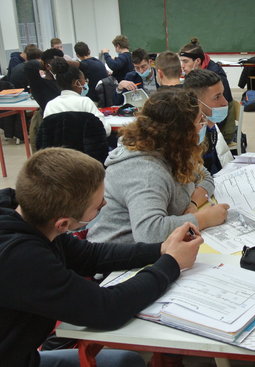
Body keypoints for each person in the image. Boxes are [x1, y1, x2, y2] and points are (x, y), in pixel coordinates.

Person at [0, 147, 204, 367]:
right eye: (98, 206)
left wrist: (162, 249)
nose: (105, 205)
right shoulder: (21, 258)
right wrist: (172, 263)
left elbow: (90, 255)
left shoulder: (28, 213)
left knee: (126, 361)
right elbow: (107, 308)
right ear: (64, 224)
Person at [87, 88, 229, 245]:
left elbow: (205, 177)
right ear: (180, 133)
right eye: (200, 121)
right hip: (121, 257)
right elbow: (149, 233)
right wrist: (203, 219)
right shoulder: (146, 172)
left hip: (156, 249)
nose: (204, 125)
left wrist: (193, 205)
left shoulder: (174, 152)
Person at [179, 39, 235, 143]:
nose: (182, 65)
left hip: (221, 126)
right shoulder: (196, 76)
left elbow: (220, 110)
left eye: (185, 61)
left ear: (197, 61)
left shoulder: (215, 78)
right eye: (181, 61)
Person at [183, 69, 234, 175]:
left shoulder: (210, 124)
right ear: (196, 101)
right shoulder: (189, 135)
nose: (225, 102)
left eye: (222, 94)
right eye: (217, 97)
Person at [43, 58, 111, 136]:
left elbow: (46, 132)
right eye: (84, 80)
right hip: (82, 147)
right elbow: (104, 130)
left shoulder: (50, 105)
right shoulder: (84, 102)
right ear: (76, 83)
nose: (85, 83)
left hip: (57, 147)